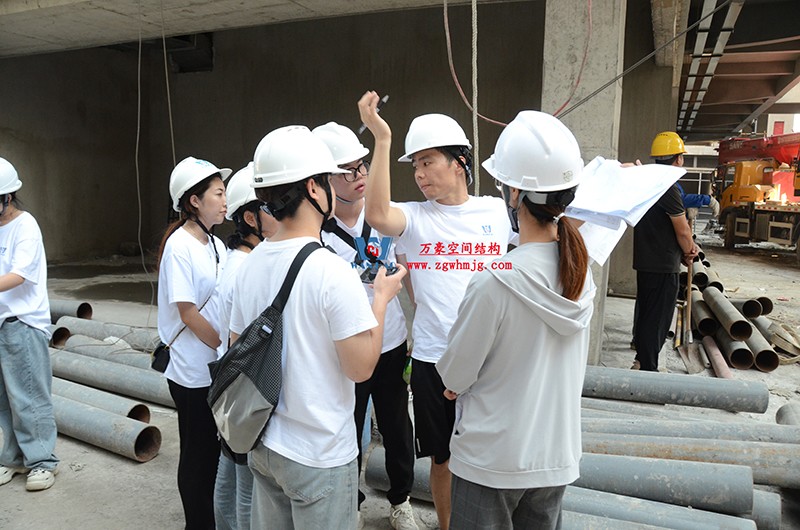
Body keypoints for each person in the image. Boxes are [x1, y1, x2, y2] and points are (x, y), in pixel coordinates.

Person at [229, 125, 406, 530]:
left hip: (265, 443)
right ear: (313, 188)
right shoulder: (329, 268)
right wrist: (380, 298)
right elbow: (360, 368)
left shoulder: (251, 262)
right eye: (328, 178)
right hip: (319, 454)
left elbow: (238, 347)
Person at [358, 91, 517, 530]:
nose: (421, 174)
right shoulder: (415, 218)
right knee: (443, 459)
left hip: (491, 358)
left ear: (460, 162)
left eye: (429, 161)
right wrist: (383, 140)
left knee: (491, 457)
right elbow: (376, 213)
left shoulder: (497, 212)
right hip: (433, 360)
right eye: (416, 165)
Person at [437, 110, 594, 529]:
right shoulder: (580, 273)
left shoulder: (495, 279)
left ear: (514, 195)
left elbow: (454, 374)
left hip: (492, 460)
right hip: (554, 458)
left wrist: (454, 384)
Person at [313, 122, 417, 530]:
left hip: (390, 342)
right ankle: (351, 501)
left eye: (362, 168)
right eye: (347, 171)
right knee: (347, 427)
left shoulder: (387, 218)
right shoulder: (318, 232)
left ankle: (400, 500)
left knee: (396, 426)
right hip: (348, 346)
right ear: (324, 179)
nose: (359, 178)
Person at [158, 156, 230, 529]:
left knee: (211, 453)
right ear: (194, 201)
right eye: (217, 193)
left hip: (212, 364)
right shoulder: (179, 246)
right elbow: (187, 312)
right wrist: (225, 345)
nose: (224, 199)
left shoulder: (215, 243)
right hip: (191, 370)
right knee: (197, 454)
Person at [213, 162, 279, 530]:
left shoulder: (238, 259)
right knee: (246, 488)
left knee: (230, 473)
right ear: (251, 219)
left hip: (233, 384)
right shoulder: (247, 267)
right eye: (270, 206)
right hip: (247, 386)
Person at [0, 157, 59, 492]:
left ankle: (42, 462)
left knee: (30, 397)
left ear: (7, 198)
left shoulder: (26, 226)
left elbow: (18, 275)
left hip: (22, 322)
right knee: (5, 399)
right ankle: (12, 458)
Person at [632, 132, 699, 371]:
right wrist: (690, 248)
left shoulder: (646, 180)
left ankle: (640, 360)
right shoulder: (668, 187)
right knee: (658, 320)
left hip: (645, 260)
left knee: (646, 313)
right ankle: (648, 368)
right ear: (678, 159)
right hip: (663, 264)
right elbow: (682, 230)